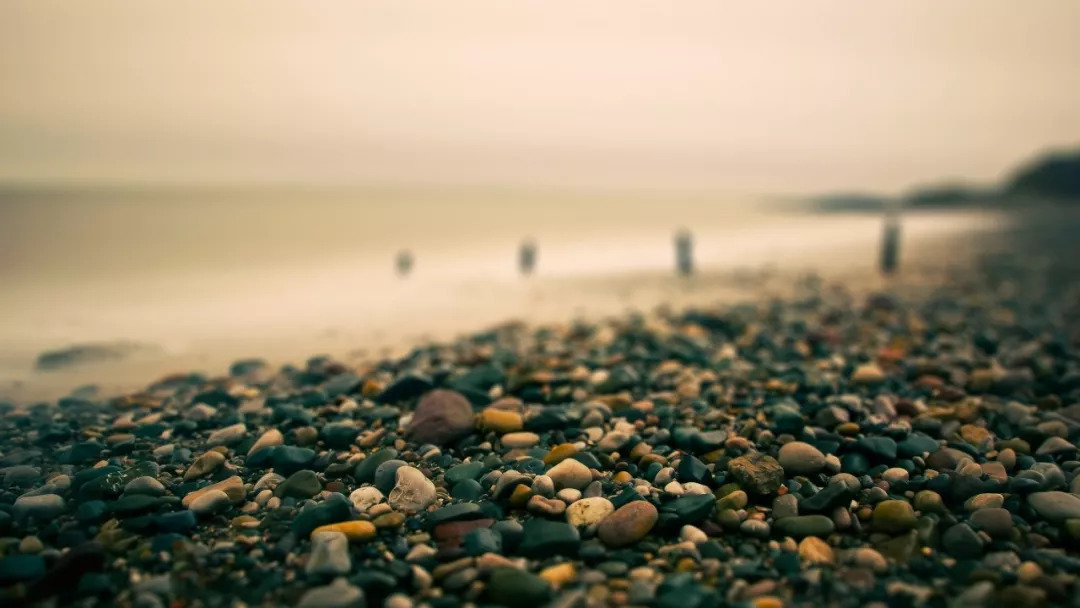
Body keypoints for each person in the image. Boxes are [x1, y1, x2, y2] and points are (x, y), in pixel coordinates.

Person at [880, 203, 901, 276]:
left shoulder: (892, 221)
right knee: (889, 253)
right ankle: (889, 268)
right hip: (890, 239)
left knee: (890, 253)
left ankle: (889, 268)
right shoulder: (892, 221)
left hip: (891, 239)